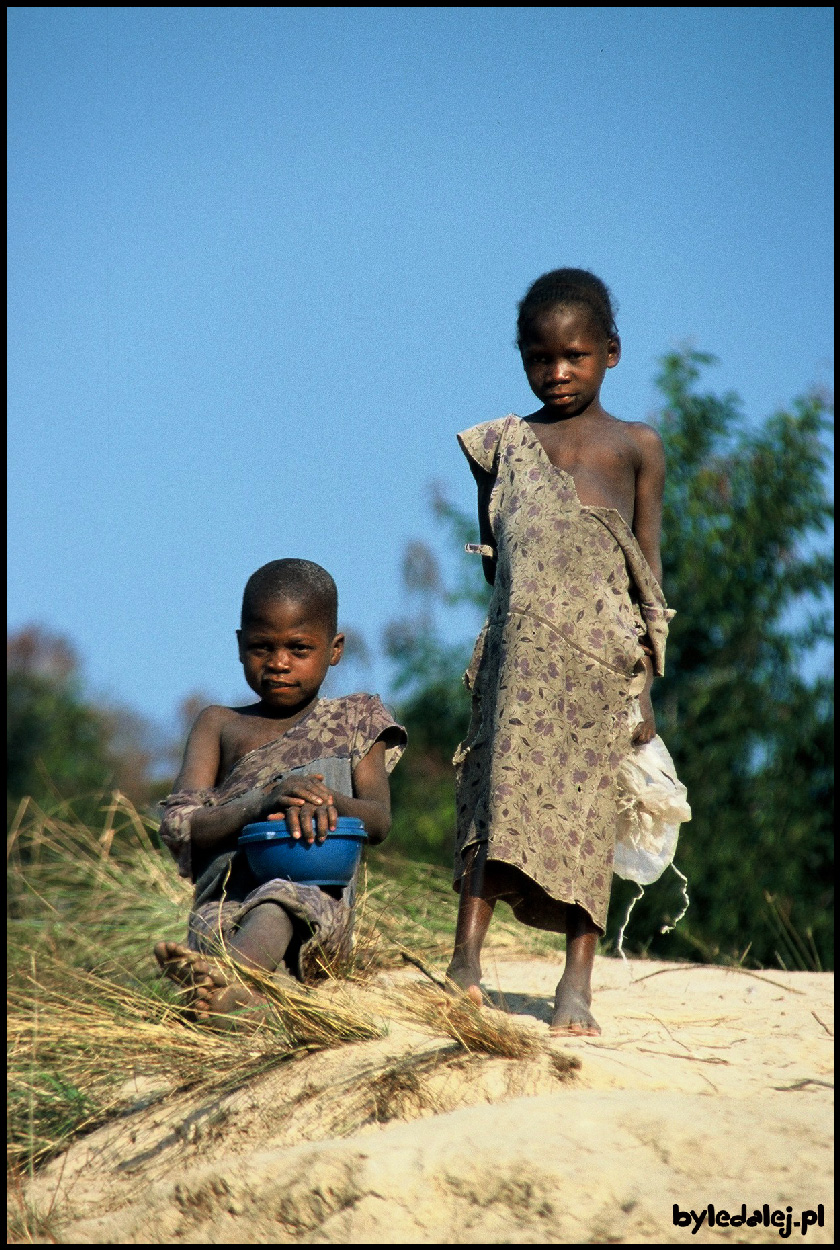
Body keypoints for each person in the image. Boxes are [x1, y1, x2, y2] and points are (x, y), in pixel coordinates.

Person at [446, 268, 674, 1036]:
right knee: (495, 802)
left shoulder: (635, 447)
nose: (557, 372)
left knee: (589, 816)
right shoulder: (503, 446)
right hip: (520, 665)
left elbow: (648, 568)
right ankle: (464, 965)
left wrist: (645, 684)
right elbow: (496, 559)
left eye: (574, 355)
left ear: (610, 352)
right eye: (540, 358)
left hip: (603, 667)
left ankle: (576, 983)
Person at [154, 558, 406, 1018]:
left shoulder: (357, 718)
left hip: (316, 912)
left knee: (277, 903)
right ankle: (242, 1006)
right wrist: (259, 803)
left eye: (299, 648)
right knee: (219, 927)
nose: (278, 663)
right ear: (238, 645)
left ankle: (222, 987)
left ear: (335, 649)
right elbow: (177, 825)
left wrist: (329, 801)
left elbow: (380, 819)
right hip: (225, 906)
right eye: (261, 647)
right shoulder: (218, 725)